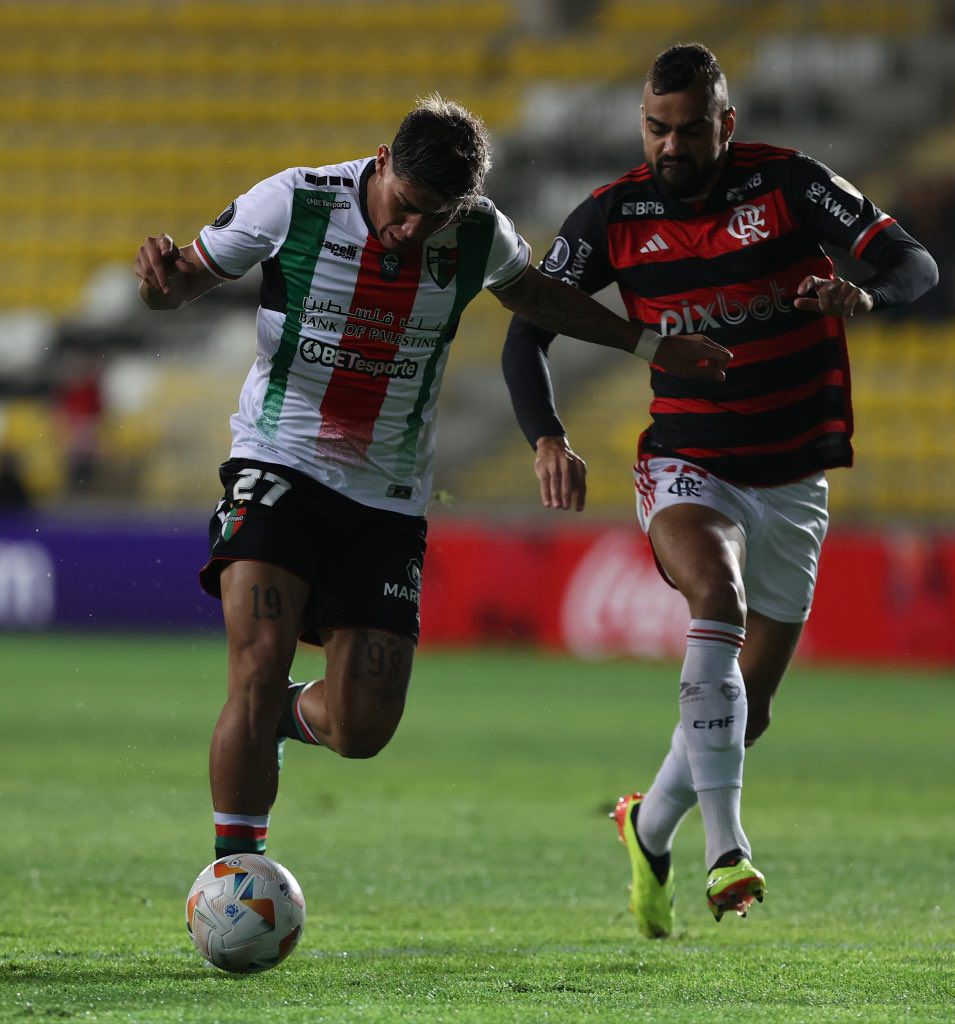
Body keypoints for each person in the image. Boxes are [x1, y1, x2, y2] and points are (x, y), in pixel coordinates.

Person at [133, 94, 732, 865]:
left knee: (362, 728)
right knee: (257, 662)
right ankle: (234, 879)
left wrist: (650, 347)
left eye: (435, 217)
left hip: (386, 499)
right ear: (382, 161)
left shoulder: (478, 231)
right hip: (278, 461)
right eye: (407, 207)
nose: (412, 230)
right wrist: (157, 284)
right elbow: (180, 282)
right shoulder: (295, 200)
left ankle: (276, 719)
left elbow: (539, 298)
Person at [502, 45, 938, 935]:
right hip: (686, 461)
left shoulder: (790, 186)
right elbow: (526, 332)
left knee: (754, 707)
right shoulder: (612, 215)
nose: (670, 144)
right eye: (655, 128)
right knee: (717, 591)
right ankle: (726, 849)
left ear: (724, 123)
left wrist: (858, 291)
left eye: (688, 127)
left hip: (793, 481)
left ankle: (649, 824)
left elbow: (913, 266)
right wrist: (547, 435)